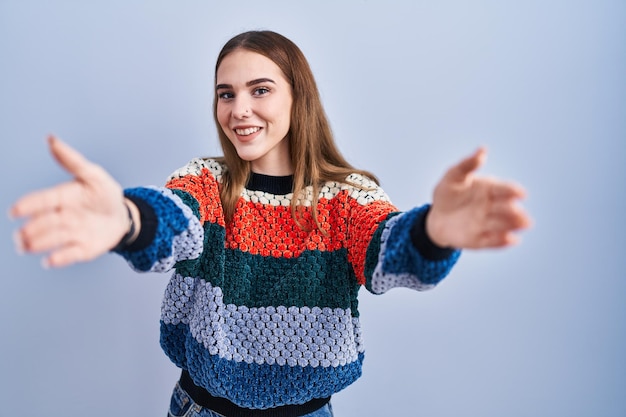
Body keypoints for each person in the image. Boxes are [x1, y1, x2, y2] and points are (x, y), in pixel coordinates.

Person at [10, 30, 531, 417]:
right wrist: (127, 219)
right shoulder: (206, 182)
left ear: (296, 97)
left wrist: (435, 231)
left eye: (260, 90)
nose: (239, 109)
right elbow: (174, 220)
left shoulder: (343, 198)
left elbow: (386, 250)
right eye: (226, 93)